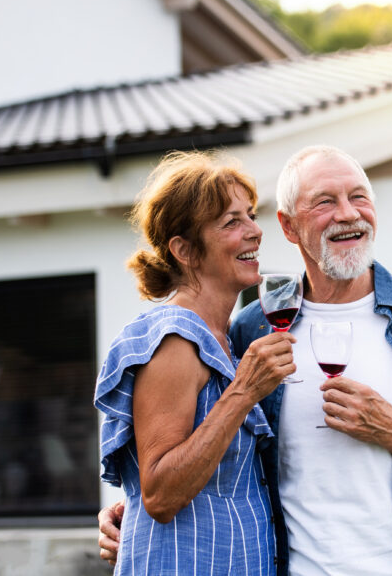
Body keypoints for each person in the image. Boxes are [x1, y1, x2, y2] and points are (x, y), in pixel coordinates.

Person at [100, 145, 392, 575]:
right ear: (289, 226)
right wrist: (133, 512)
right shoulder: (252, 331)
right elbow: (196, 460)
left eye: (359, 196)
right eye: (324, 201)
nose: (347, 213)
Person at [94, 151, 296, 574]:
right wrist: (243, 392)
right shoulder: (175, 339)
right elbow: (161, 495)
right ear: (185, 249)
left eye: (250, 215)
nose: (255, 232)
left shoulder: (228, 339)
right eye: (231, 222)